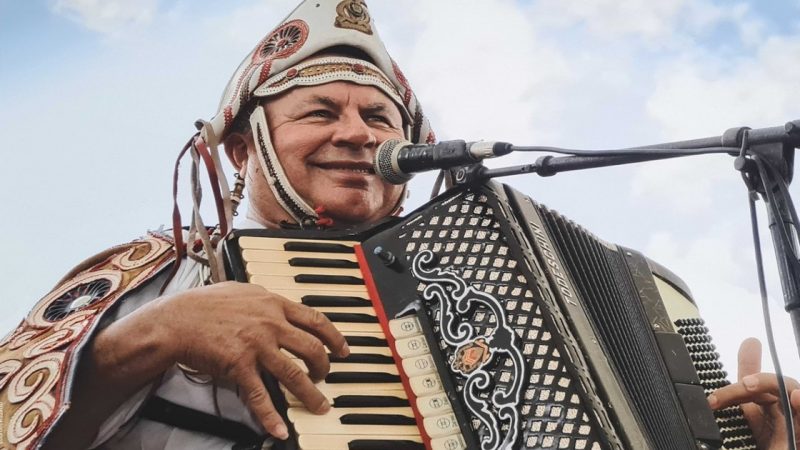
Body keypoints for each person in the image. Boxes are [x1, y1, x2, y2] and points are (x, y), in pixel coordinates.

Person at [0, 1, 797, 449]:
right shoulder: (161, 274)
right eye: (321, 111)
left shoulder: (482, 282)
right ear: (243, 146)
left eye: (380, 117)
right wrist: (154, 335)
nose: (359, 132)